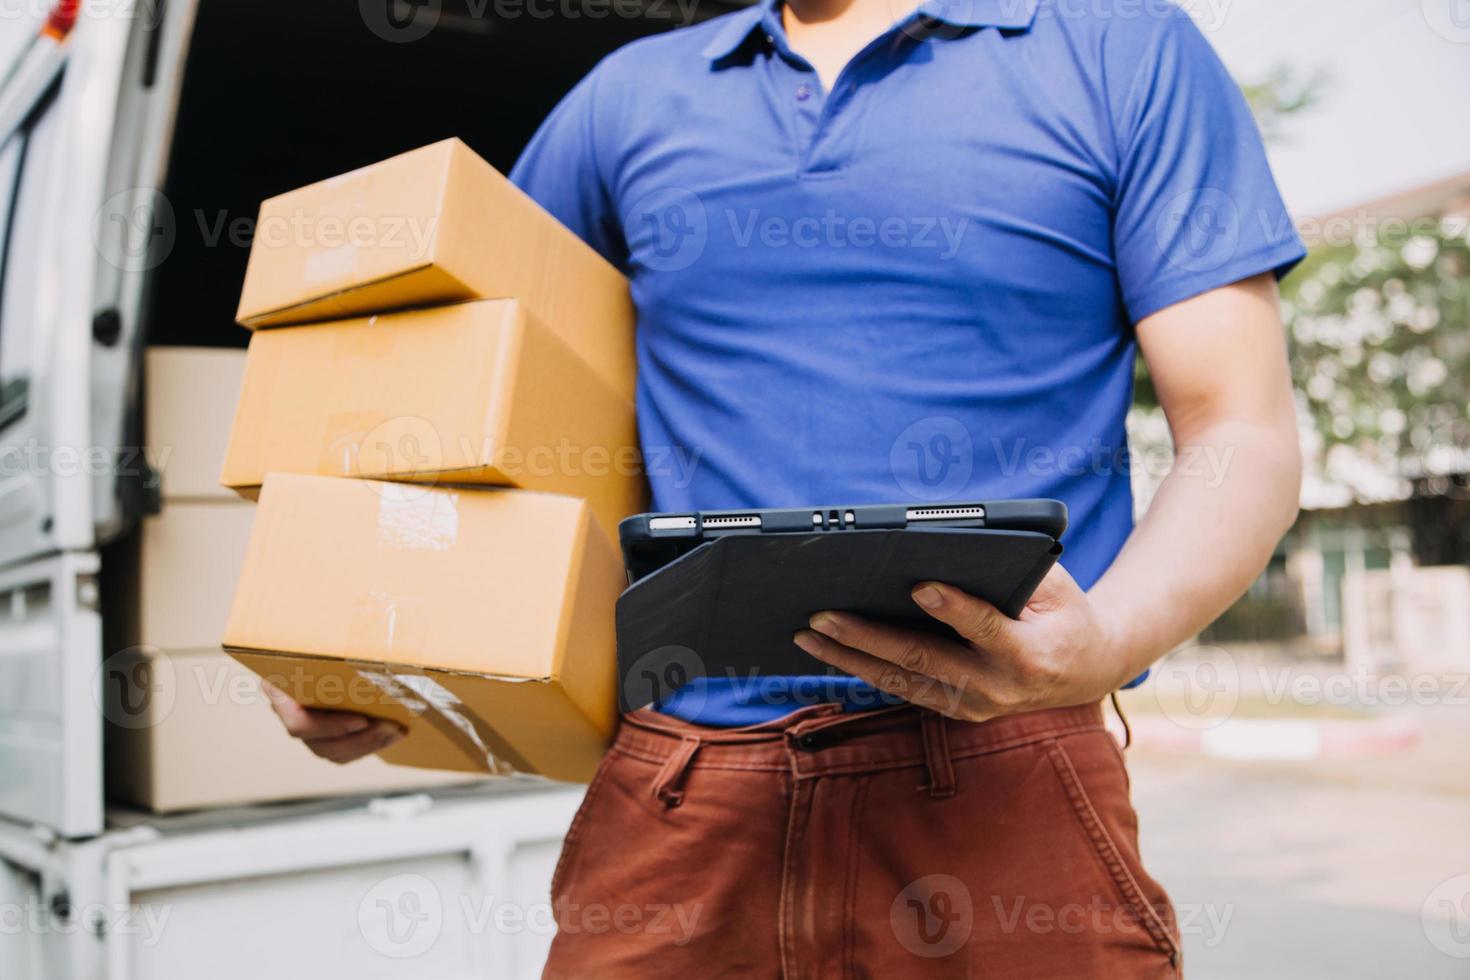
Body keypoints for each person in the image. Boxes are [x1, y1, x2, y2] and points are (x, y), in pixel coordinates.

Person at [266, 0, 1305, 973]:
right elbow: (462, 374)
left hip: (1000, 771)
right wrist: (356, 626)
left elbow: (1240, 426)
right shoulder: (629, 96)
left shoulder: (1118, 47)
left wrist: (1110, 640)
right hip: (682, 792)